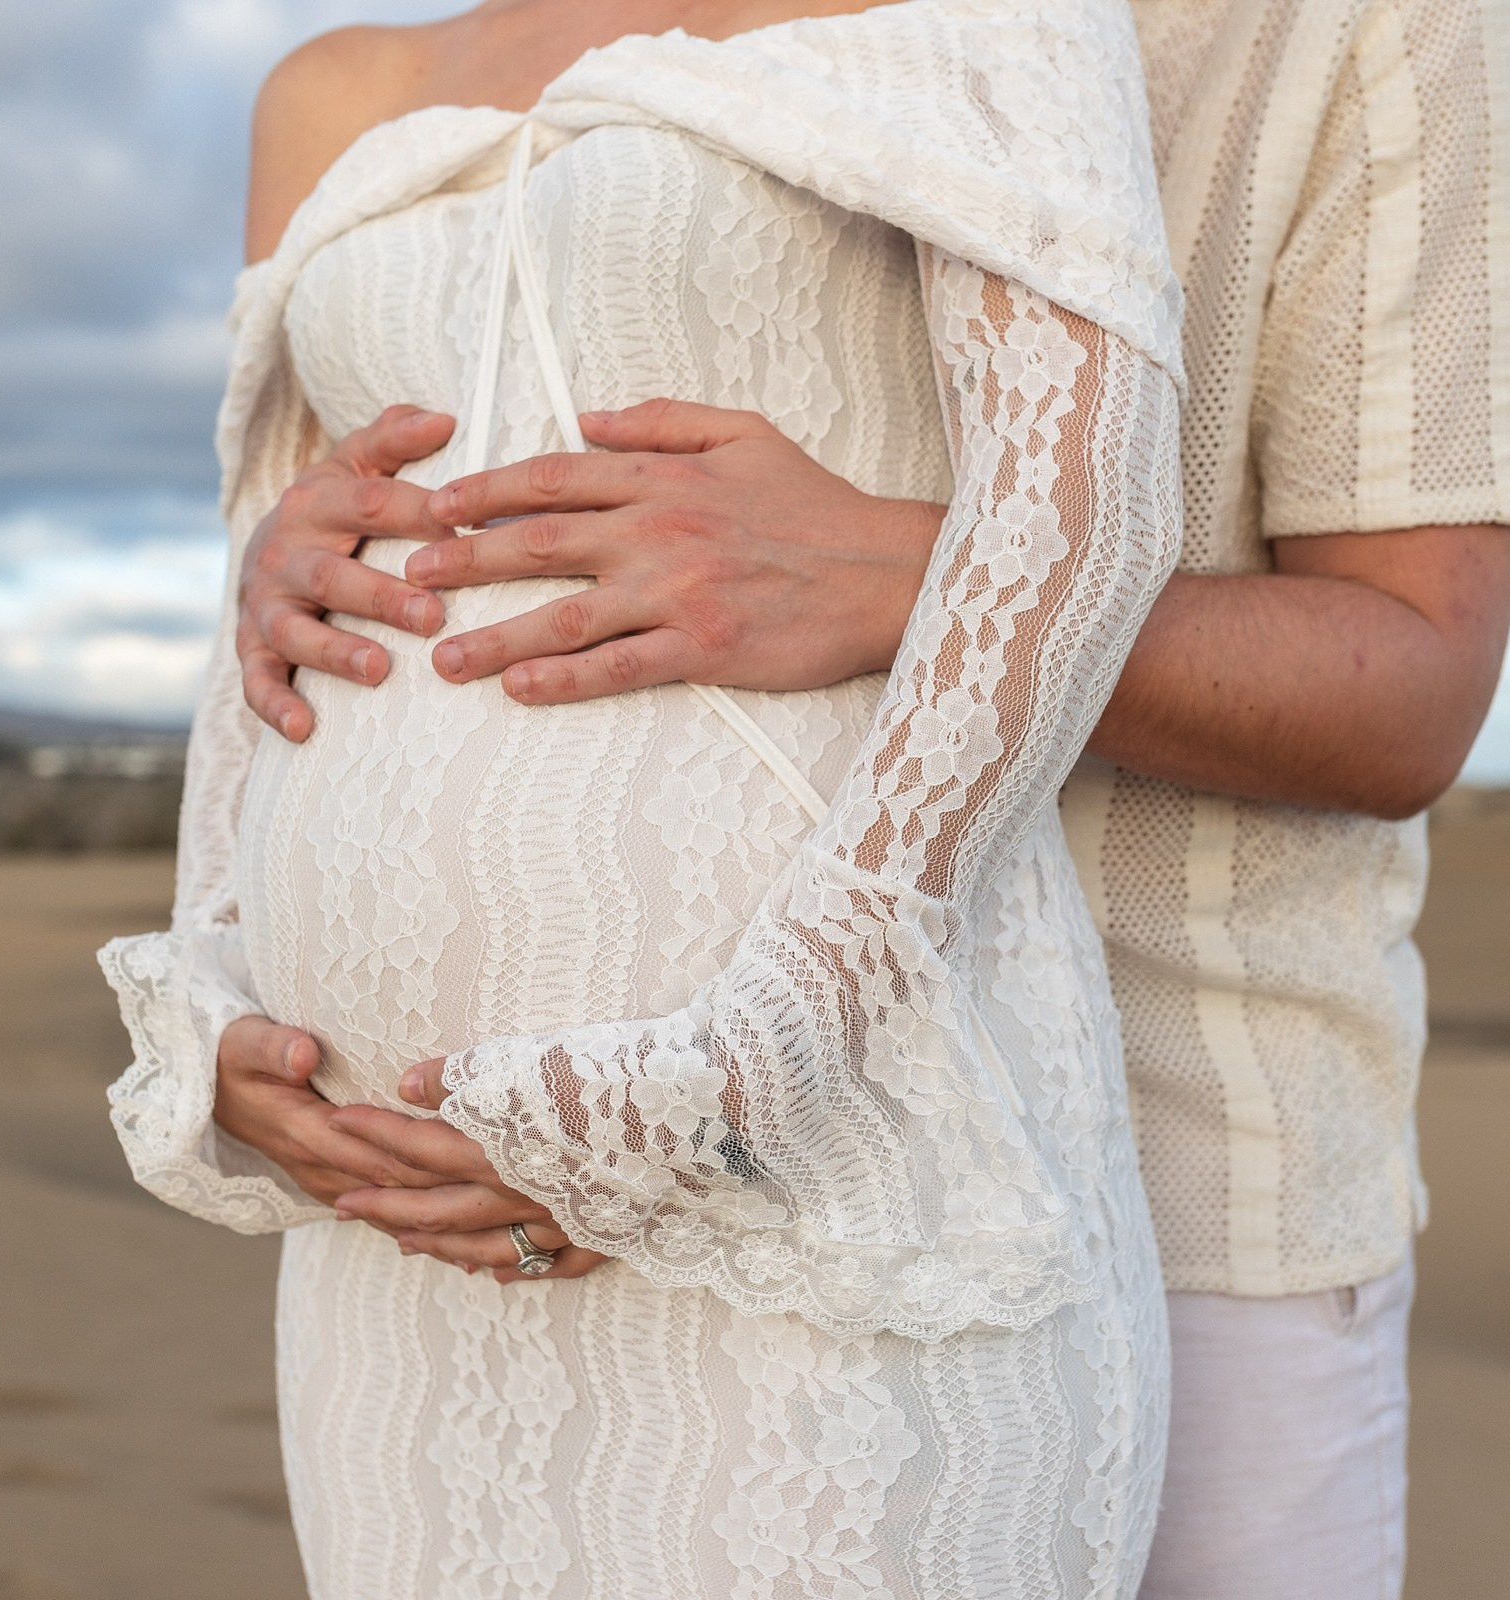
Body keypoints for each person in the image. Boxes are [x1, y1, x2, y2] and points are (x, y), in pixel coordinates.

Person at [215, 1, 1510, 1596]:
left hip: (1188, 1171)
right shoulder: (440, 86)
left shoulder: (1362, 23)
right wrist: (292, 572)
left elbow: (1416, 691)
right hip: (467, 1176)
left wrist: (906, 568)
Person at [100, 1, 1189, 1595]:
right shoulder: (324, 90)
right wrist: (214, 986)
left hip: (834, 1173)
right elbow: (274, 602)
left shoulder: (979, 14)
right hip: (398, 1226)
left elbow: (1076, 525)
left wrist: (741, 1082)